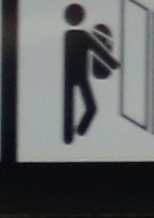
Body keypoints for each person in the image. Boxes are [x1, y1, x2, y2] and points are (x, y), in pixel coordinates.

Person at [62, 2, 118, 138]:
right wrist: (113, 64)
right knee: (90, 107)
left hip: (73, 76)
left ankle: (72, 134)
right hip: (79, 76)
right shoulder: (81, 36)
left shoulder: (72, 36)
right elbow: (99, 50)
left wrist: (112, 63)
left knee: (80, 107)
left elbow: (98, 50)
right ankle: (75, 133)